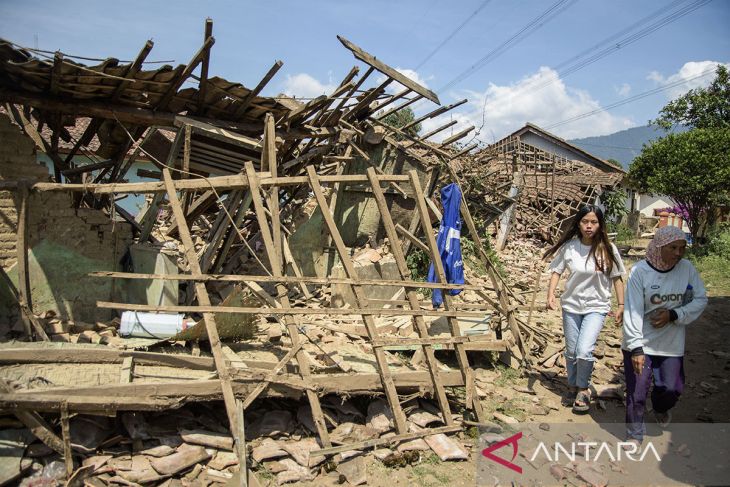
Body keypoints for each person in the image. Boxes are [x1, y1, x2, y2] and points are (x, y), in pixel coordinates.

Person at [622, 225, 707, 442]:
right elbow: (632, 311)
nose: (678, 253)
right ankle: (634, 435)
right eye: (673, 248)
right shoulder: (640, 272)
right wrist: (636, 348)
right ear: (659, 247)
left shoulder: (686, 269)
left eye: (682, 248)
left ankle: (660, 408)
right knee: (637, 392)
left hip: (671, 343)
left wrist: (674, 314)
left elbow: (700, 299)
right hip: (641, 341)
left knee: (671, 388)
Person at [544, 205, 625, 413]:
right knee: (571, 351)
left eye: (594, 222)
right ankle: (571, 385)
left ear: (600, 224)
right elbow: (556, 271)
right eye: (585, 222)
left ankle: (583, 389)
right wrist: (550, 294)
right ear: (579, 223)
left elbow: (617, 278)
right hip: (571, 305)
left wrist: (621, 305)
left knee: (584, 349)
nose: (589, 226)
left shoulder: (608, 248)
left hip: (596, 307)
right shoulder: (570, 247)